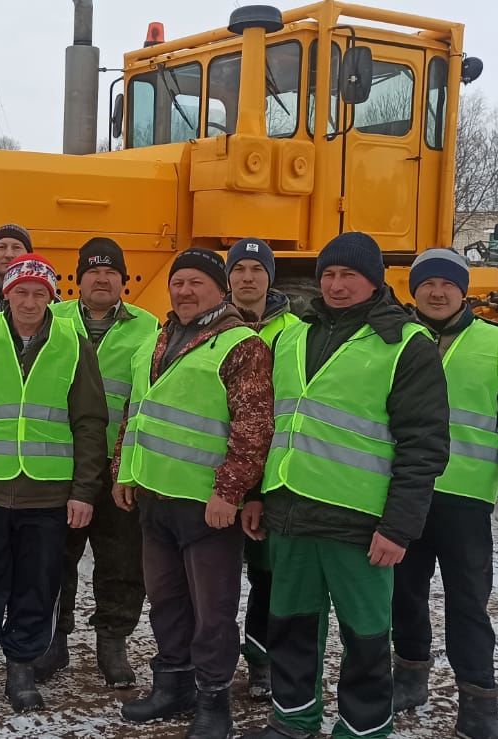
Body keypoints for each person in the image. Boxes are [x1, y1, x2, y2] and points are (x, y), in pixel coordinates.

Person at [243, 232, 448, 739]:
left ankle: (363, 728)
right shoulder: (292, 335)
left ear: (374, 280)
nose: (336, 285)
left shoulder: (405, 343)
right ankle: (292, 720)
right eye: (329, 274)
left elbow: (424, 446)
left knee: (366, 637)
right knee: (289, 626)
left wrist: (399, 527)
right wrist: (253, 494)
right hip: (289, 513)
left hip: (360, 523)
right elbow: (267, 421)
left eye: (348, 275)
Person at [0, 254, 108, 715]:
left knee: (38, 586)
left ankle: (22, 670)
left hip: (48, 494)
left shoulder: (74, 344)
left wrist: (83, 491)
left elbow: (90, 423)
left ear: (52, 296)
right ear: (6, 294)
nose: (30, 302)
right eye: (21, 292)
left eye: (40, 293)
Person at [115, 248, 274, 739]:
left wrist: (229, 492)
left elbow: (254, 428)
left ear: (220, 290)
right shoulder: (159, 339)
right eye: (178, 282)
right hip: (155, 498)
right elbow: (135, 410)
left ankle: (213, 701)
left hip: (207, 507)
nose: (184, 291)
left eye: (196, 283)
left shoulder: (240, 344)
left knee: (213, 611)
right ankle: (174, 685)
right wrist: (124, 469)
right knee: (166, 601)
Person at [390, 249, 498, 739]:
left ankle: (478, 705)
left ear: (463, 290)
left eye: (447, 284)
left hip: (465, 501)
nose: (437, 293)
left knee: (469, 605)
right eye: (427, 284)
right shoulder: (392, 339)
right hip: (404, 495)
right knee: (402, 596)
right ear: (413, 290)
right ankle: (409, 679)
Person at [40, 237, 156, 688]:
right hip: (61, 465)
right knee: (55, 558)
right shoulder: (55, 319)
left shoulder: (148, 327)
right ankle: (55, 640)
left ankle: (113, 641)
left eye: (111, 273)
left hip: (119, 468)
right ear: (78, 279)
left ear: (123, 281)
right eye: (93, 271)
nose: (102, 279)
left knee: (123, 561)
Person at [225, 237, 298, 700]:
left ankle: (261, 663)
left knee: (268, 579)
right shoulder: (210, 326)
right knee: (213, 578)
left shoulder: (296, 332)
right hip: (217, 474)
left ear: (270, 277)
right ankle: (204, 661)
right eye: (239, 268)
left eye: (257, 268)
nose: (247, 276)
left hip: (272, 478)